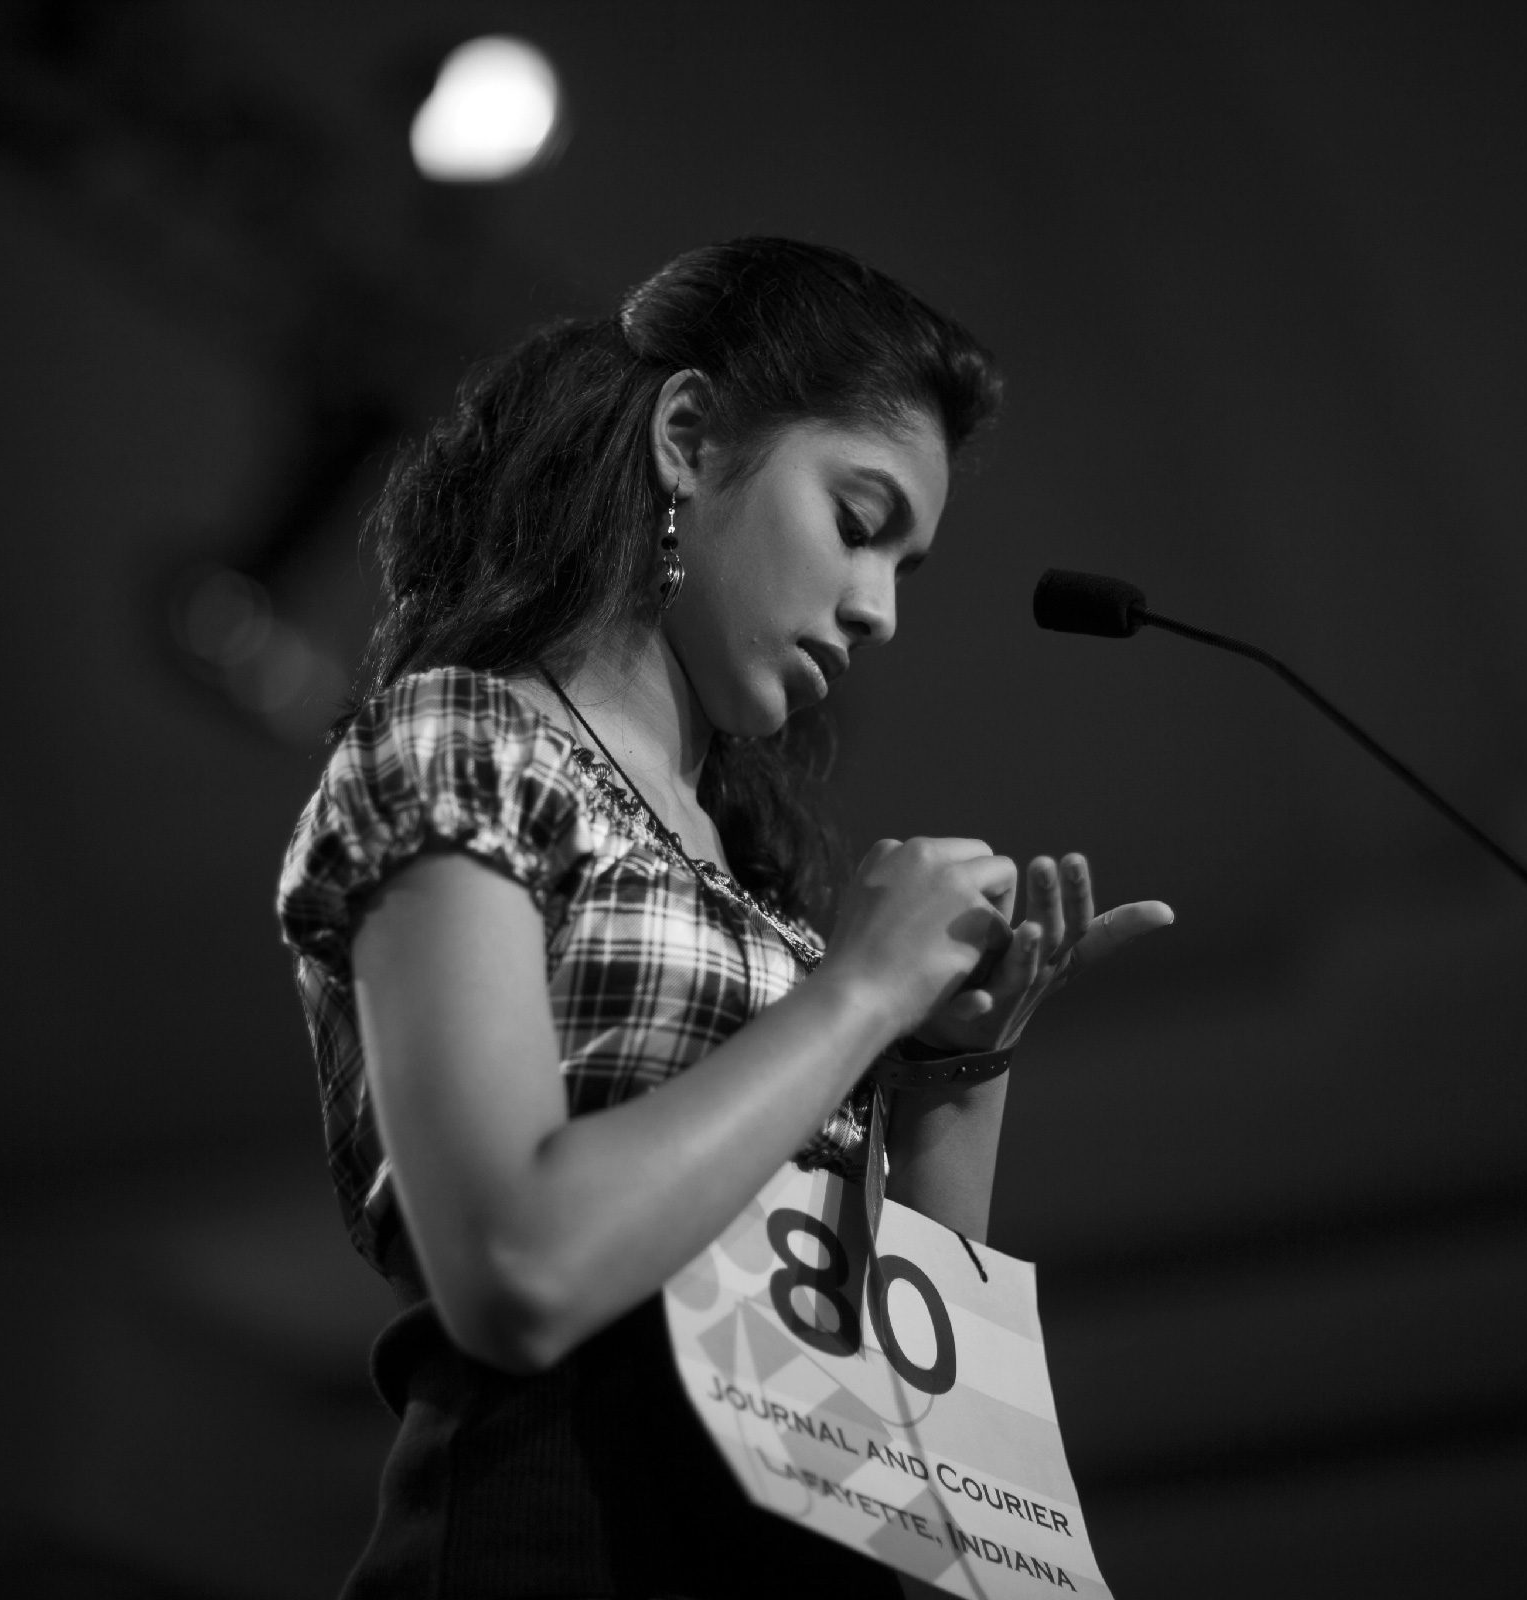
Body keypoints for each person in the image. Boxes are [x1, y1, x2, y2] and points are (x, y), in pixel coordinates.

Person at [276, 237, 1171, 1598]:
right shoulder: (464, 743)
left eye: (906, 571)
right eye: (858, 522)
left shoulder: (756, 901)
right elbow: (520, 1267)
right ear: (689, 437)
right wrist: (856, 998)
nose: (876, 610)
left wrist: (952, 1076)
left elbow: (919, 1456)